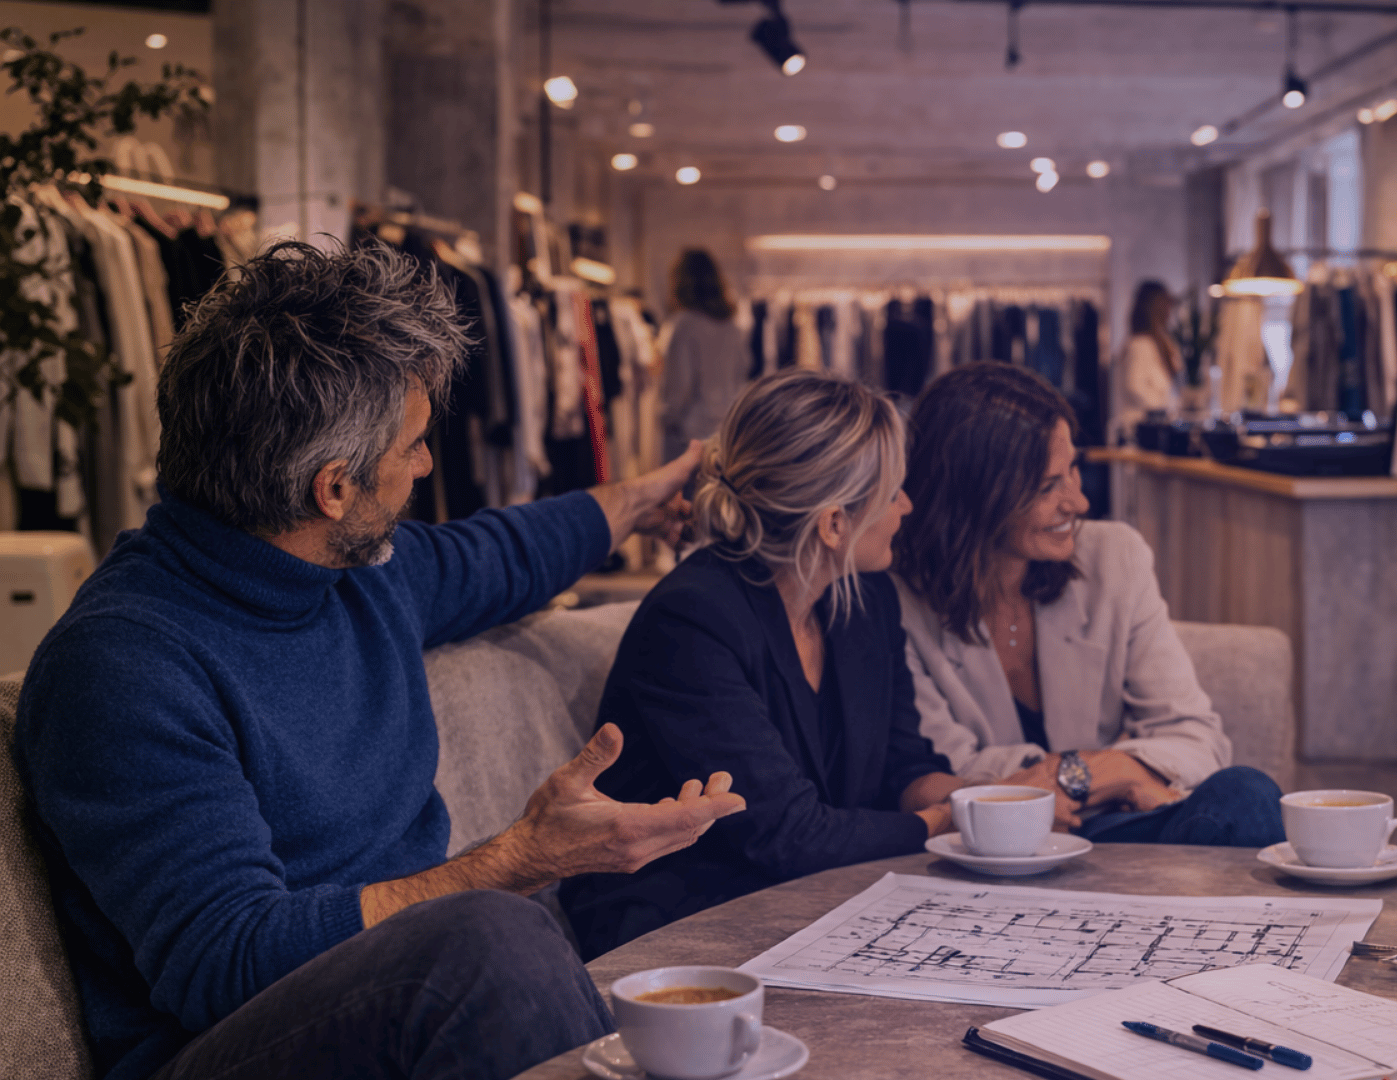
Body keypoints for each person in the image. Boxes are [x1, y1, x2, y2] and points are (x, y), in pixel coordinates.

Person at [13, 241, 747, 1080]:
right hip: (222, 1045)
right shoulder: (122, 668)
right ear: (332, 488)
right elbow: (227, 961)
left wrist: (642, 501)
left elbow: (505, 553)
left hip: (407, 1011)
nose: (428, 465)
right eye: (414, 447)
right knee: (493, 940)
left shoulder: (358, 571)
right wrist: (517, 860)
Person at [561, 369, 965, 959]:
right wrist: (940, 824)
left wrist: (981, 803)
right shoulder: (693, 619)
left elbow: (904, 765)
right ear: (833, 524)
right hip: (682, 925)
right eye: (892, 493)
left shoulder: (866, 599)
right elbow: (786, 834)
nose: (907, 506)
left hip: (815, 900)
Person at [891, 362, 1285, 845]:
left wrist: (1092, 774)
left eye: (1073, 470)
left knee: (1246, 793)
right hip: (997, 843)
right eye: (1047, 487)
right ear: (974, 497)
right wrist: (1117, 770)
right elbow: (941, 772)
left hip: (1118, 826)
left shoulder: (1115, 558)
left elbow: (1197, 738)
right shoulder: (897, 603)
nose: (1077, 502)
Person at [658, 247, 752, 456]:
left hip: (689, 436)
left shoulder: (684, 325)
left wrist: (665, 417)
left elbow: (679, 387)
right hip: (724, 432)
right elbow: (741, 378)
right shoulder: (732, 327)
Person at [1114, 279, 1181, 438]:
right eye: (1166, 304)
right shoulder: (1139, 345)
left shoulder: (1161, 342)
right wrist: (1162, 409)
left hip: (1156, 429)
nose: (1169, 310)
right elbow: (1134, 385)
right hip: (1139, 431)